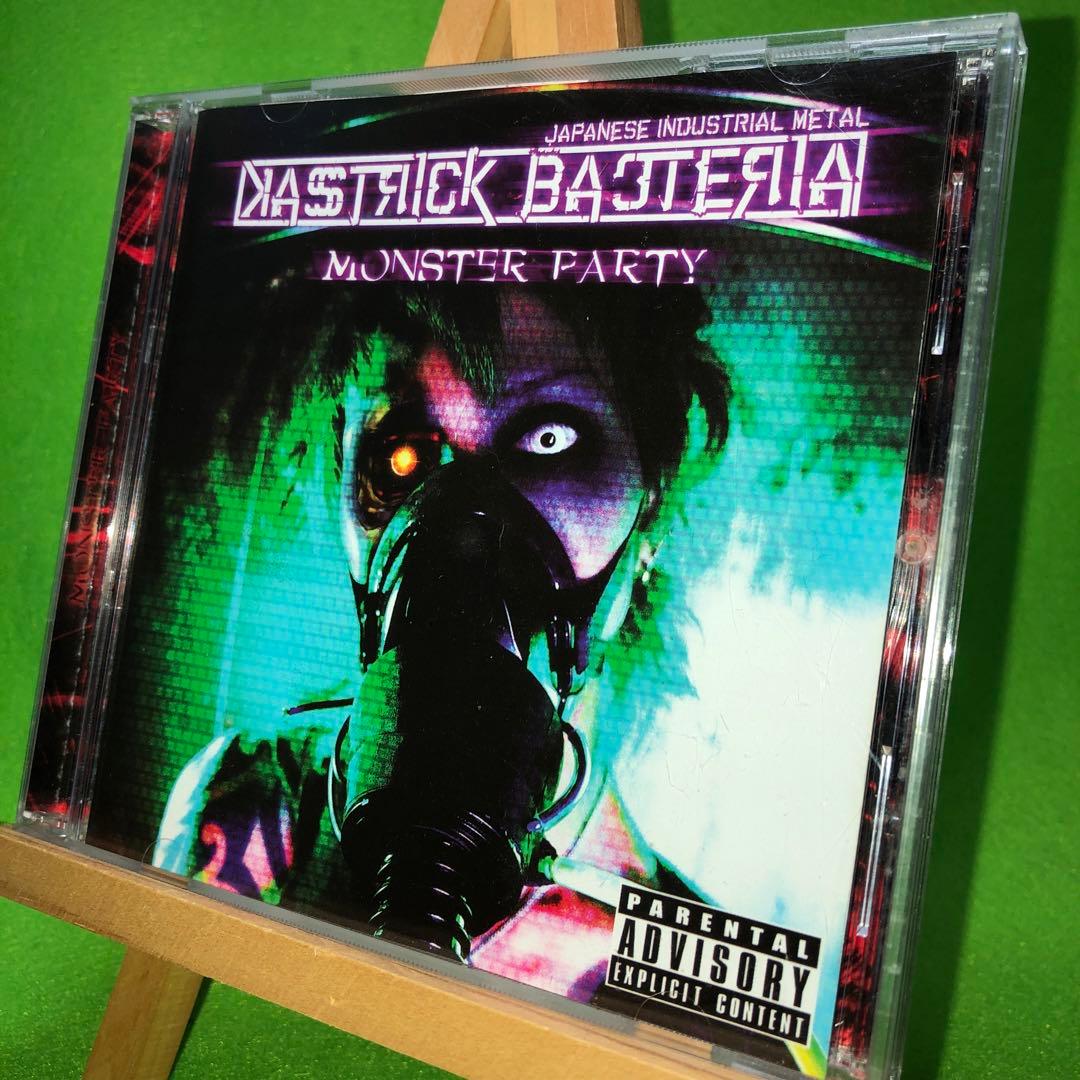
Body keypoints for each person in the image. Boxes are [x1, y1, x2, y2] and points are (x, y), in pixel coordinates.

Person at [154, 276, 730, 1004]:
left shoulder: (690, 978)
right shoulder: (249, 799)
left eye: (551, 438)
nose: (460, 530)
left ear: (650, 510)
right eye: (400, 452)